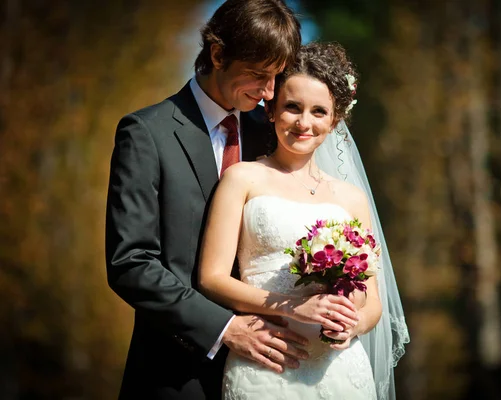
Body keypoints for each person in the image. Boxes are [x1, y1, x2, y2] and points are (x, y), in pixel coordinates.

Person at [105, 1, 304, 399]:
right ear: (217, 54)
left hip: (274, 373)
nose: (269, 92)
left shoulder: (270, 134)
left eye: (276, 78)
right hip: (177, 374)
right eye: (258, 75)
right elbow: (131, 262)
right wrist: (224, 329)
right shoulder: (146, 133)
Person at [198, 42, 408, 400]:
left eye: (318, 112)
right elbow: (211, 279)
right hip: (266, 360)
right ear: (271, 110)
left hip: (341, 370)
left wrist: (352, 325)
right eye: (292, 107)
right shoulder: (242, 179)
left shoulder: (351, 199)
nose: (304, 123)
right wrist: (294, 305)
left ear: (335, 119)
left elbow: (372, 302)